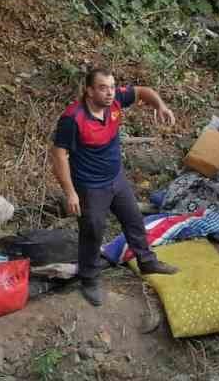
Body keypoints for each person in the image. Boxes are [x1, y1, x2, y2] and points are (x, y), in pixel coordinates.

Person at [49, 67, 179, 307]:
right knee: (93, 231)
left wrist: (160, 106)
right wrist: (70, 192)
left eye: (111, 87)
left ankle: (147, 261)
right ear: (89, 91)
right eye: (102, 88)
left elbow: (143, 91)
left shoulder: (116, 100)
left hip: (116, 179)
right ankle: (88, 278)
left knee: (133, 219)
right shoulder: (73, 118)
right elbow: (58, 155)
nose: (109, 93)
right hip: (90, 186)